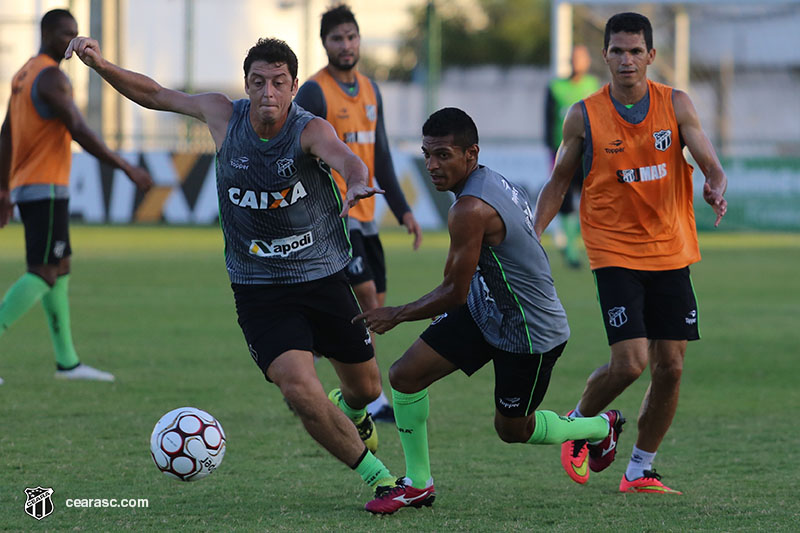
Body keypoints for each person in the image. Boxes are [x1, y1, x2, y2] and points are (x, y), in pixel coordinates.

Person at [66, 35, 402, 502]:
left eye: (278, 83)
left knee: (366, 390)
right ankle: (381, 479)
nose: (268, 93)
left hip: (322, 277)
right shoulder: (223, 115)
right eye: (258, 82)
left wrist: (359, 182)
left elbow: (345, 158)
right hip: (259, 288)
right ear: (245, 85)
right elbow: (155, 94)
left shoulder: (310, 129)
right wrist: (100, 64)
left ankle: (354, 410)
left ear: (293, 87)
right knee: (300, 389)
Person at [355, 107, 625, 514]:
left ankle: (599, 427)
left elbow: (452, 293)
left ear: (470, 154)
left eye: (443, 154)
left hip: (530, 332)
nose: (432, 165)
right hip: (487, 309)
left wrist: (395, 314)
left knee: (512, 430)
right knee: (405, 376)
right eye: (427, 154)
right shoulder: (487, 181)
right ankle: (418, 484)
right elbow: (461, 287)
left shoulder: (469, 209)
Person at [532, 12, 728, 494]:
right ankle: (580, 426)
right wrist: (531, 235)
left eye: (635, 51)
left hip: (670, 249)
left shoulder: (676, 105)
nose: (626, 60)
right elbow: (559, 183)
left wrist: (715, 184)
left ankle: (640, 469)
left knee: (672, 367)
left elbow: (709, 161)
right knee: (630, 363)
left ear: (651, 56)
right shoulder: (583, 115)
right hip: (614, 250)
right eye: (617, 51)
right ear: (605, 56)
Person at [0, 9, 152, 385]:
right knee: (43, 271)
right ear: (47, 32)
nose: (71, 40)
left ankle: (67, 362)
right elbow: (79, 129)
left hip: (30, 184)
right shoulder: (52, 77)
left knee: (60, 266)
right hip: (47, 186)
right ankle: (64, 361)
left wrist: (4, 188)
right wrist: (125, 166)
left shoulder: (24, 73)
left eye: (76, 33)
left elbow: (6, 134)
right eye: (65, 33)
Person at [295, 4, 423, 423]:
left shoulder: (371, 89)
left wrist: (403, 210)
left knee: (374, 307)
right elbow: (298, 152)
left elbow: (380, 154)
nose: (346, 45)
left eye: (351, 37)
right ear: (325, 44)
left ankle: (305, 367)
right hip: (334, 217)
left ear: (359, 40)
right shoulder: (314, 92)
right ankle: (373, 398)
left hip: (368, 218)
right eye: (337, 38)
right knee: (367, 299)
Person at [544, 45, 600, 268]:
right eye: (575, 58)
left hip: (588, 151)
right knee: (564, 201)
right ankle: (571, 250)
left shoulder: (593, 86)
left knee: (590, 200)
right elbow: (548, 122)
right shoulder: (556, 87)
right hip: (562, 151)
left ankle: (587, 245)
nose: (579, 62)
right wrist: (551, 150)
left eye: (582, 58)